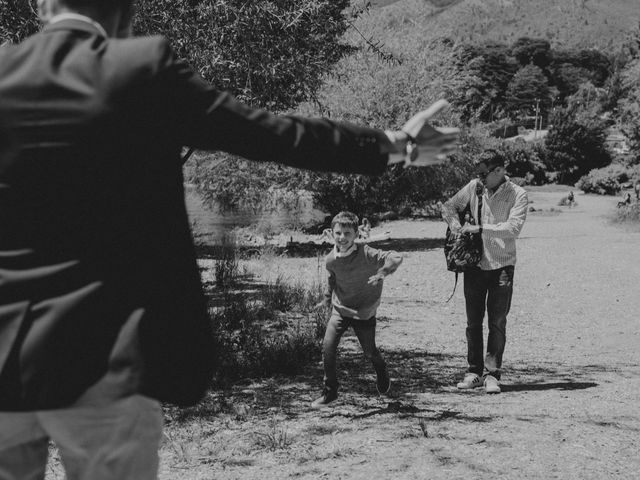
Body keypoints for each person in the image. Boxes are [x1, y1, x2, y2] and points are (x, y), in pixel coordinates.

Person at [0, 0, 459, 477]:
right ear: (125, 9)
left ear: (39, 3)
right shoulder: (139, 67)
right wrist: (397, 144)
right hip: (105, 359)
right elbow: (274, 134)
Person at [441, 150, 528, 394]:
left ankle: (492, 374)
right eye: (477, 173)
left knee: (497, 321)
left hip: (502, 265)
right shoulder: (473, 187)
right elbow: (448, 207)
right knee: (473, 322)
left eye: (483, 173)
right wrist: (456, 225)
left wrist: (480, 228)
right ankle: (473, 372)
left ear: (499, 170)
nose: (479, 178)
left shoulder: (518, 194)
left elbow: (513, 229)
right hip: (475, 265)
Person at [312, 212, 402, 409]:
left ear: (356, 234)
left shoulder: (366, 253)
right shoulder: (330, 259)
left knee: (369, 351)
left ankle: (381, 369)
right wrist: (326, 299)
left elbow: (396, 257)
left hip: (364, 312)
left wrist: (382, 272)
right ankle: (330, 391)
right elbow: (332, 278)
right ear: (330, 233)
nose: (342, 237)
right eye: (338, 233)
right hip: (341, 310)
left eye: (347, 233)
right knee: (327, 347)